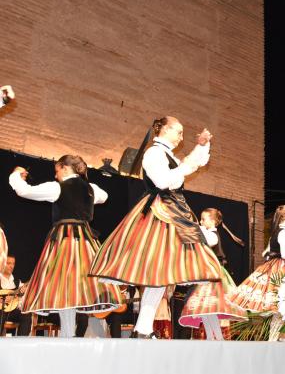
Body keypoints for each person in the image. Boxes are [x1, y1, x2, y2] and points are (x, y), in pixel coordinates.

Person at [89, 117, 222, 338]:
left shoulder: (167, 154)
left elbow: (186, 167)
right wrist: (186, 167)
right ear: (165, 129)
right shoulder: (154, 153)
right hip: (160, 212)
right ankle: (142, 328)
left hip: (173, 210)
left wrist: (201, 146)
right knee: (158, 271)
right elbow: (163, 181)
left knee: (162, 274)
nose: (181, 136)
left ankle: (143, 328)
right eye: (178, 131)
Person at [9, 155, 123, 337]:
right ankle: (69, 335)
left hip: (65, 239)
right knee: (76, 286)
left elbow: (24, 191)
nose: (55, 176)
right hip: (86, 241)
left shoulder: (58, 188)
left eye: (57, 171)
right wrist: (84, 185)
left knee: (63, 284)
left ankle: (67, 335)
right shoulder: (91, 189)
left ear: (65, 168)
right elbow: (104, 196)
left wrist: (15, 174)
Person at [228, 205, 285, 340]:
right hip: (282, 270)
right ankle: (279, 341)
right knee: (283, 308)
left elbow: (265, 253)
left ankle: (276, 340)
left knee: (280, 311)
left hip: (274, 267)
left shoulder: (276, 233)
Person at [179, 208, 246, 340]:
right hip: (207, 274)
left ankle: (218, 337)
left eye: (204, 219)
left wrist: (198, 229)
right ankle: (211, 337)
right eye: (201, 219)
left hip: (214, 275)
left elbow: (207, 241)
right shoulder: (206, 233)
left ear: (213, 221)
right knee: (204, 309)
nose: (201, 221)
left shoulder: (213, 235)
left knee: (210, 308)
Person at [0, 255, 32, 336]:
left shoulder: (17, 282)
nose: (11, 266)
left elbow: (21, 301)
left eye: (13, 264)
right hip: (1, 311)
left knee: (26, 315)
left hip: (11, 311)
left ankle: (21, 342)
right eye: (8, 263)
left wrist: (21, 294)